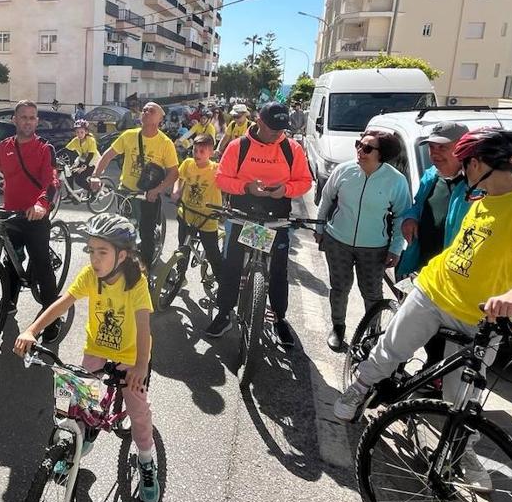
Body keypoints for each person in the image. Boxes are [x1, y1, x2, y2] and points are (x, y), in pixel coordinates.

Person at [334, 128, 512, 486]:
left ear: (478, 163)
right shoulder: (480, 197)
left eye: (467, 164)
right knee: (391, 350)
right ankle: (361, 386)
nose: (464, 171)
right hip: (433, 292)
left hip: (478, 316)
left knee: (462, 396)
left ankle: (461, 451)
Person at [14, 214, 160, 502]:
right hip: (97, 349)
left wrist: (141, 366)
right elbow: (62, 303)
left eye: (102, 252)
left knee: (137, 410)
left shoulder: (136, 284)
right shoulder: (90, 277)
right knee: (78, 403)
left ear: (123, 254)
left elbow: (143, 328)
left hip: (131, 355)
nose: (94, 258)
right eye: (91, 250)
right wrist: (32, 329)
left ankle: (146, 460)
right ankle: (80, 442)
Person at [205, 103, 313, 344]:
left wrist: (285, 189)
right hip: (244, 213)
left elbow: (305, 181)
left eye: (282, 128)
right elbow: (221, 178)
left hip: (276, 217)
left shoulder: (291, 148)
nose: (278, 133)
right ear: (259, 122)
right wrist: (246, 187)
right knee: (232, 265)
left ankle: (279, 318)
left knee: (277, 270)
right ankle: (224, 312)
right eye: (274, 128)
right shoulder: (239, 146)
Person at [316, 129, 412, 352]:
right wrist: (319, 228)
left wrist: (396, 248)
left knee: (372, 294)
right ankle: (338, 328)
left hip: (374, 248)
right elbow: (326, 198)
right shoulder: (344, 170)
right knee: (339, 288)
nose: (360, 150)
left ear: (382, 154)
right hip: (337, 240)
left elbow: (401, 218)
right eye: (359, 144)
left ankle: (372, 337)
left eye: (367, 148)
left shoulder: (396, 181)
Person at [395, 122, 471, 371]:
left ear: (463, 148)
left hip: (449, 274)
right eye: (432, 147)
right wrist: (411, 216)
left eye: (443, 148)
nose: (435, 154)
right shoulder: (431, 176)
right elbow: (418, 204)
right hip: (421, 262)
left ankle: (432, 374)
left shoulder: (476, 187)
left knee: (439, 332)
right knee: (406, 326)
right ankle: (393, 374)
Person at [0, 99, 62, 338]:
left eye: (32, 117)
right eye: (23, 117)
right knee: (10, 262)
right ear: (14, 119)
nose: (28, 121)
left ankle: (52, 316)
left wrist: (41, 204)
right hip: (11, 213)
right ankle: (9, 303)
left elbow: (52, 181)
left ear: (37, 121)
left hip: (35, 215)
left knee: (42, 265)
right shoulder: (3, 146)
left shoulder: (45, 148)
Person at [90, 102, 179, 269]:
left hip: (148, 194)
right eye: (144, 109)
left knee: (146, 236)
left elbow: (174, 173)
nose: (145, 112)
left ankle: (145, 272)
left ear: (159, 118)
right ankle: (122, 264)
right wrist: (96, 176)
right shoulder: (129, 135)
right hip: (126, 192)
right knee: (121, 232)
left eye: (151, 111)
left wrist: (157, 190)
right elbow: (108, 156)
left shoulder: (165, 143)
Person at [171, 134, 224, 280]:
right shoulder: (188, 163)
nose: (197, 154)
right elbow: (179, 178)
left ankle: (222, 285)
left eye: (202, 151)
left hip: (207, 218)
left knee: (212, 253)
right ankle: (180, 278)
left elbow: (228, 185)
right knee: (183, 247)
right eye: (195, 150)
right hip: (186, 213)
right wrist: (176, 191)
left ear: (211, 153)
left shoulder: (217, 169)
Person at [64, 119, 100, 193]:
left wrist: (82, 168)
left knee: (79, 180)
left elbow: (90, 155)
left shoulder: (91, 140)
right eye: (77, 132)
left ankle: (94, 191)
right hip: (82, 159)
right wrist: (53, 155)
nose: (79, 134)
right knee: (68, 174)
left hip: (92, 162)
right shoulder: (76, 140)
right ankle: (71, 194)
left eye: (81, 132)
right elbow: (66, 150)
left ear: (86, 132)